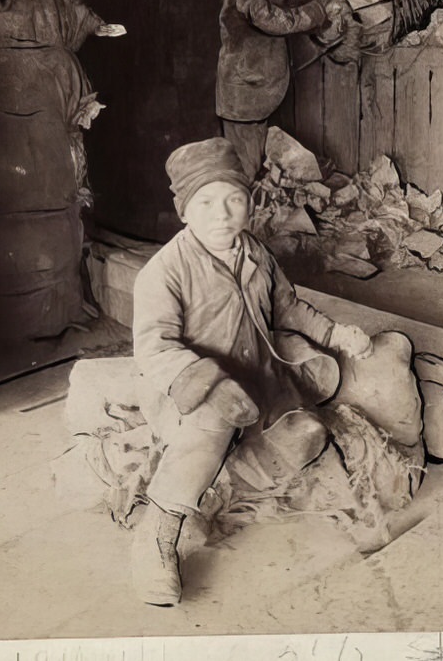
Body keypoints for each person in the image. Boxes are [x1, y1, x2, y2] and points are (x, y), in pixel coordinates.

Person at [129, 137, 373, 606]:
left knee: (307, 435)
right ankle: (156, 532)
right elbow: (154, 347)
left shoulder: (256, 253)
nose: (222, 214)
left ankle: (219, 484)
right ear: (184, 211)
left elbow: (288, 309)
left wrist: (337, 333)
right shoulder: (164, 272)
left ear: (249, 204)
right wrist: (211, 385)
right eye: (205, 203)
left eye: (234, 200)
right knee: (214, 424)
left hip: (257, 375)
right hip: (193, 390)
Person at [216, 0, 350, 180]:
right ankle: (244, 208)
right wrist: (320, 6)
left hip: (255, 93)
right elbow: (282, 22)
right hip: (243, 98)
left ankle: (255, 204)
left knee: (257, 160)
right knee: (246, 166)